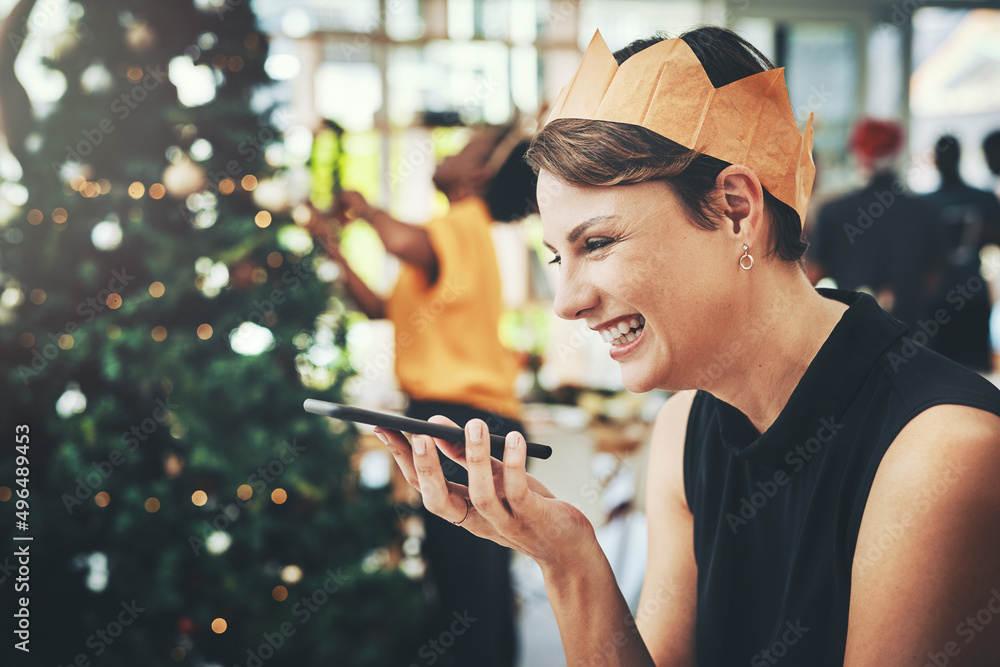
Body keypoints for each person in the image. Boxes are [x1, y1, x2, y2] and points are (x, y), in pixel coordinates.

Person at [375, 26, 1000, 666]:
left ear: (735, 209)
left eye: (597, 243)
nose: (566, 301)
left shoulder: (941, 453)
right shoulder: (682, 431)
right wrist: (566, 559)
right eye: (558, 255)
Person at [309, 126, 537, 667]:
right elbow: (380, 308)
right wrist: (334, 248)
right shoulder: (453, 237)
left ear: (476, 176)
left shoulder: (461, 224)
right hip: (459, 420)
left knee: (468, 581)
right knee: (468, 576)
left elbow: (399, 241)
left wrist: (364, 209)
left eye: (466, 149)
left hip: (463, 424)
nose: (450, 151)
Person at [805, 118, 945, 333]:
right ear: (897, 151)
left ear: (858, 153)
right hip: (913, 333)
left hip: (851, 330)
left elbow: (813, 275)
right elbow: (934, 280)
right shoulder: (927, 212)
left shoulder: (833, 211)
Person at [922, 135, 1000, 372]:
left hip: (937, 298)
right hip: (970, 294)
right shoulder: (983, 199)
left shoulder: (924, 204)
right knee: (975, 374)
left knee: (939, 375)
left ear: (935, 161)